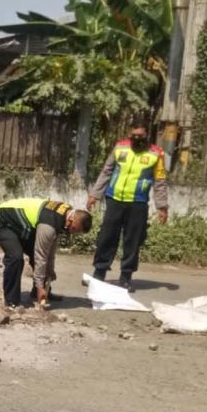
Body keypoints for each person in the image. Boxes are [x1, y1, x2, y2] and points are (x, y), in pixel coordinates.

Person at [86, 118, 169, 292]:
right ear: (129, 134)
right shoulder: (120, 147)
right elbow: (107, 171)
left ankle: (126, 277)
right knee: (107, 237)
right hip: (114, 199)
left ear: (147, 134)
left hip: (137, 203)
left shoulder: (156, 153)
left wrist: (162, 207)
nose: (137, 139)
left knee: (133, 241)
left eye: (141, 135)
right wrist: (95, 194)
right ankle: (99, 272)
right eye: (134, 135)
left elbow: (160, 181)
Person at [0, 198, 93, 308]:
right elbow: (41, 256)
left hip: (21, 226)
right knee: (16, 257)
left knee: (42, 258)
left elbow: (50, 254)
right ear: (71, 219)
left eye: (76, 232)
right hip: (2, 222)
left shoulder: (65, 214)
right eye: (74, 229)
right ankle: (11, 300)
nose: (73, 232)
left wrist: (49, 274)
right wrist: (40, 286)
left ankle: (41, 292)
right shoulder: (49, 225)